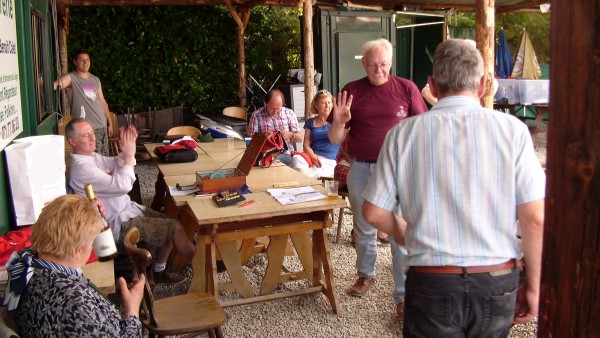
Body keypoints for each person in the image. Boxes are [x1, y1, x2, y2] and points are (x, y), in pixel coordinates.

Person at [362, 39, 545, 336]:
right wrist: (534, 285)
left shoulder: (402, 134)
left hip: (432, 281)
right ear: (483, 85)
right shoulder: (513, 131)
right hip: (496, 280)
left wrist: (399, 229)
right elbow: (535, 217)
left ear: (432, 86)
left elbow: (372, 211)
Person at [328, 38, 428, 318]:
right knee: (363, 227)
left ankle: (404, 294)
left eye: (383, 64)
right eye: (373, 65)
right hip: (362, 168)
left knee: (399, 230)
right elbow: (336, 139)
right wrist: (338, 122)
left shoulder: (406, 88)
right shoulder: (351, 91)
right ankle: (366, 275)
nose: (378, 70)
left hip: (398, 170)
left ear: (391, 63)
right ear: (364, 63)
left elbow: (422, 130)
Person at [66, 118, 195, 283]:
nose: (93, 137)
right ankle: (201, 263)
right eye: (86, 135)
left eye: (92, 132)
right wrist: (128, 155)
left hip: (127, 210)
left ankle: (158, 270)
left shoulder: (89, 157)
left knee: (172, 221)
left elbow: (115, 163)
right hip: (117, 225)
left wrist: (127, 151)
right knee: (176, 228)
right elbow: (124, 184)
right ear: (72, 141)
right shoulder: (83, 169)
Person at [4, 194, 145, 337]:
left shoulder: (25, 263)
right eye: (92, 243)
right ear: (78, 251)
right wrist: (132, 310)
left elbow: (63, 223)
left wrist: (85, 218)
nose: (92, 248)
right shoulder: (76, 306)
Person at [54, 48, 113, 156]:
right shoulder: (71, 78)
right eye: (82, 60)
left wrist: (110, 123)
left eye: (87, 59)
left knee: (104, 159)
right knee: (90, 161)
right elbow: (56, 85)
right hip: (86, 130)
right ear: (75, 62)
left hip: (102, 125)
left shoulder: (95, 79)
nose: (85, 62)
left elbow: (102, 101)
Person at [247, 89, 303, 165]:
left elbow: (300, 138)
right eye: (272, 108)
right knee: (266, 162)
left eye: (278, 108)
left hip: (285, 154)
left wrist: (289, 135)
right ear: (265, 103)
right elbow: (250, 142)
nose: (275, 112)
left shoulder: (289, 113)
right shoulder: (256, 115)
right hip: (264, 154)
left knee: (274, 162)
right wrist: (263, 136)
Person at [294, 90, 340, 178]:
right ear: (316, 105)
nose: (327, 106)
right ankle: (304, 180)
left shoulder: (337, 121)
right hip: (313, 156)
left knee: (314, 171)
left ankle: (302, 182)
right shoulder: (310, 122)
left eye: (329, 102)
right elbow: (306, 145)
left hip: (329, 159)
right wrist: (313, 156)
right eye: (323, 103)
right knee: (296, 158)